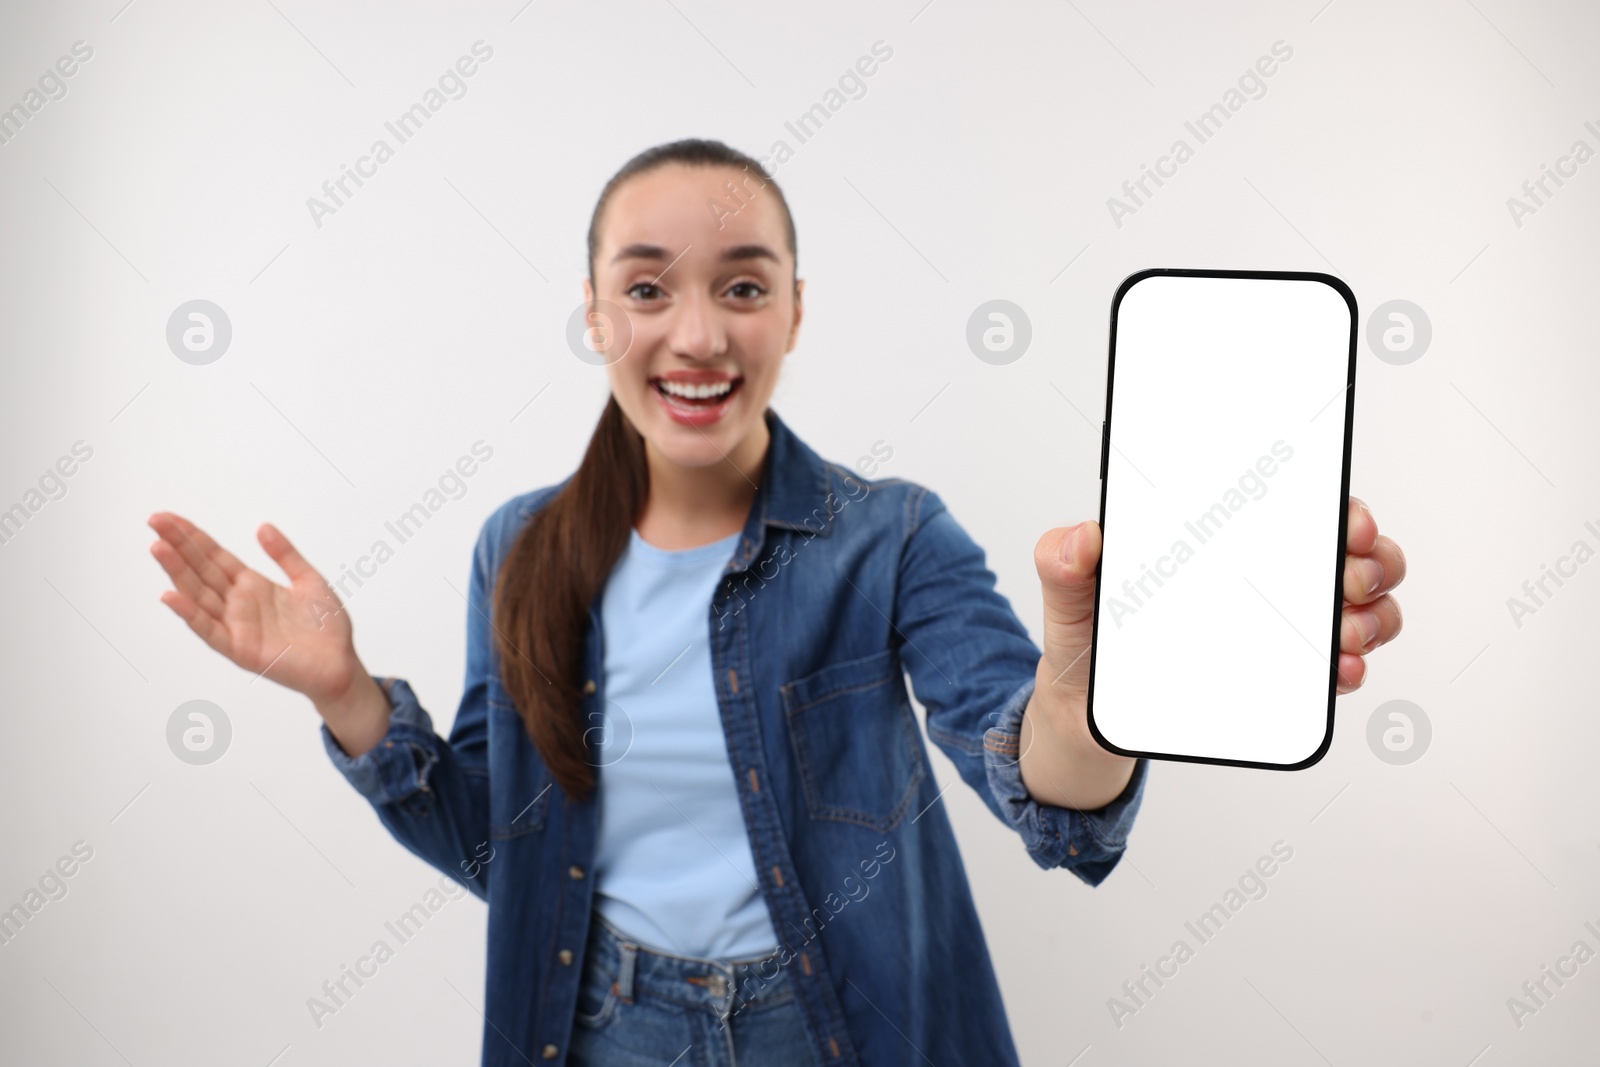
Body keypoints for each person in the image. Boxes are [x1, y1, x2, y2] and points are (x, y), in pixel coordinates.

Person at [147, 138, 1406, 1066]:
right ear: (595, 314)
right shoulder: (518, 546)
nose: (697, 334)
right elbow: (500, 850)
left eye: (743, 287)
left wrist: (1088, 673)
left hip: (839, 1023)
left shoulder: (890, 534)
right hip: (598, 1026)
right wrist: (348, 696)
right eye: (647, 288)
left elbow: (1050, 794)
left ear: (794, 312)